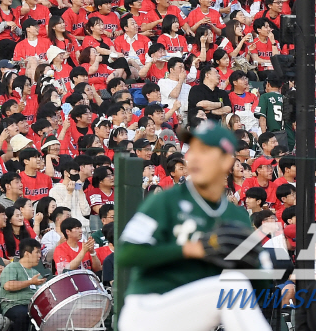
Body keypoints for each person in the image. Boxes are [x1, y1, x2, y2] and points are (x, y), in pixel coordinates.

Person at [117, 121, 274, 331]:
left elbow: (259, 284)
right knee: (233, 286)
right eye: (193, 150)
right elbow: (125, 254)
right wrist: (191, 249)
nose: (195, 157)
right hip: (149, 310)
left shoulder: (235, 215)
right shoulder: (165, 201)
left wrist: (254, 265)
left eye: (205, 151)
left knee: (236, 284)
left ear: (226, 161)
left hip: (193, 312)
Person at [0, 238, 47, 331]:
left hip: (32, 306)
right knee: (24, 314)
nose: (40, 256)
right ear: (27, 253)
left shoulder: (36, 273)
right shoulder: (12, 267)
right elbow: (8, 286)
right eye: (37, 252)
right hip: (14, 304)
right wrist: (30, 282)